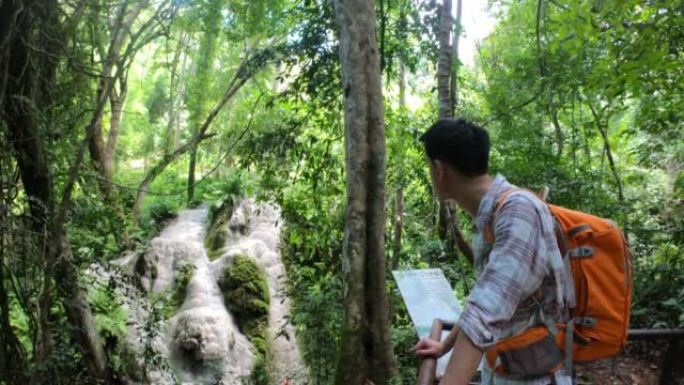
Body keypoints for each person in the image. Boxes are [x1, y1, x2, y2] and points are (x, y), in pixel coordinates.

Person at [413, 118, 573, 385]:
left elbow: (483, 315)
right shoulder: (490, 215)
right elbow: (485, 297)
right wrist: (444, 346)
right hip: (505, 369)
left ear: (440, 169)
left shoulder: (518, 211)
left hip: (535, 377)